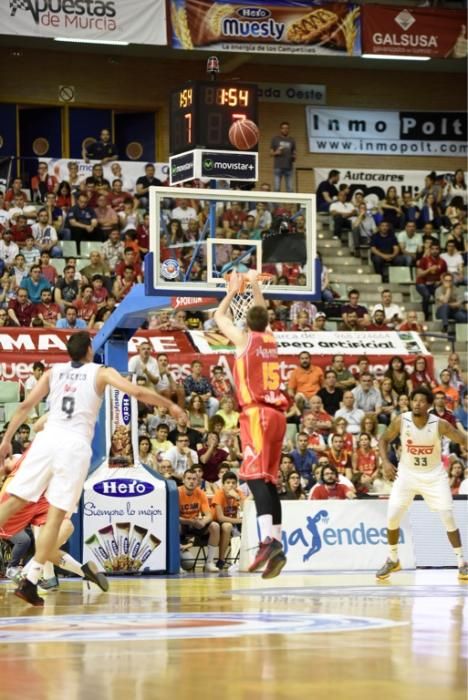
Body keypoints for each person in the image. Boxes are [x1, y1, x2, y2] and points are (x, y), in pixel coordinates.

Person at [0, 331, 183, 605]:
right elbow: (134, 391)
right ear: (89, 350)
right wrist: (170, 405)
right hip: (73, 446)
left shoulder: (53, 371)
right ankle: (31, 578)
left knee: (14, 500)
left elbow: (27, 405)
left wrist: (5, 439)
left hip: (47, 439)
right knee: (56, 516)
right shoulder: (100, 371)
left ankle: (33, 578)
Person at [214, 269, 288, 579]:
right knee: (269, 481)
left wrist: (232, 290)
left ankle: (266, 541)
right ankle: (277, 543)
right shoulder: (270, 338)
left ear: (247, 323)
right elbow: (262, 310)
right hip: (279, 416)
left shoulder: (244, 339)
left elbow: (219, 317)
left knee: (254, 478)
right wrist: (255, 284)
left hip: (257, 415)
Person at [376, 387, 468, 581]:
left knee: (447, 515)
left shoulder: (439, 424)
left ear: (429, 405)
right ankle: (393, 559)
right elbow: (383, 439)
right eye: (414, 400)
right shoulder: (402, 420)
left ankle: (462, 563)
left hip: (433, 476)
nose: (417, 403)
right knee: (392, 516)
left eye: (421, 401)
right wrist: (385, 462)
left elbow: (462, 439)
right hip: (407, 475)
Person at [178, 467, 220, 573]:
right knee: (175, 525)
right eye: (188, 478)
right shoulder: (177, 492)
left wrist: (203, 522)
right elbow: (173, 517)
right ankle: (176, 563)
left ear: (198, 481)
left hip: (195, 524)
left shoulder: (200, 493)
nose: (191, 481)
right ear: (183, 480)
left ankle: (210, 563)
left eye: (194, 479)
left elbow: (209, 515)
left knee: (214, 526)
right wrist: (189, 521)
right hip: (181, 524)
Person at [211, 470, 244, 570]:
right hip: (216, 523)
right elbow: (220, 518)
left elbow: (246, 510)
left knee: (248, 526)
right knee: (227, 525)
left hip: (233, 522)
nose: (231, 485)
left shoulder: (238, 493)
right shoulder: (219, 494)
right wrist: (240, 521)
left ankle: (246, 558)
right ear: (223, 484)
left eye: (233, 483)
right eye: (228, 483)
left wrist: (238, 498)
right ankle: (221, 559)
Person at [270, 121, 296, 193]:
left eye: (287, 128)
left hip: (289, 167)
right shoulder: (275, 139)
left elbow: (294, 152)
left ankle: (290, 204)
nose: (285, 130)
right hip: (278, 167)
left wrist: (294, 156)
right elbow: (271, 153)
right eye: (283, 128)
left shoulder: (292, 140)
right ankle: (276, 204)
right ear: (280, 129)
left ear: (289, 129)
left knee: (290, 189)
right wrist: (276, 152)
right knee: (277, 188)